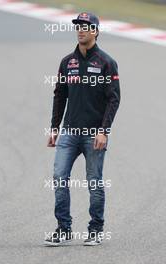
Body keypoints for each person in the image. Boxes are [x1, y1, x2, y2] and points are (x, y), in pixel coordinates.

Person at [45, 12, 120, 246]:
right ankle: (63, 228)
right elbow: (60, 95)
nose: (81, 30)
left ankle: (96, 229)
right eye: (78, 26)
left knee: (94, 182)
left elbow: (114, 99)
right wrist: (54, 128)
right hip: (69, 132)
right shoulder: (68, 62)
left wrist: (103, 131)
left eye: (86, 27)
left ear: (96, 31)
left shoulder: (107, 62)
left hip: (93, 135)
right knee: (59, 177)